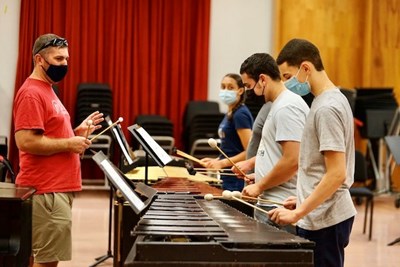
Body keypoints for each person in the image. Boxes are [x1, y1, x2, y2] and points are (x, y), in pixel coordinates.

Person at [13, 33, 104, 267]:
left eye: (66, 59)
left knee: (41, 258)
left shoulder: (48, 89)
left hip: (56, 189)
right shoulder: (32, 93)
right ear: (39, 60)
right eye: (58, 58)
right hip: (47, 191)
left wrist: (77, 133)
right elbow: (26, 141)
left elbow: (50, 136)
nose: (64, 64)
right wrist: (69, 143)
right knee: (46, 262)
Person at [268, 38, 356, 267]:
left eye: (288, 77)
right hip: (319, 212)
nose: (285, 85)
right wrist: (301, 198)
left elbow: (337, 174)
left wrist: (298, 213)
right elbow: (320, 166)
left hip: (325, 219)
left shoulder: (327, 108)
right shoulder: (328, 99)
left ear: (305, 68)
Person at [233, 53, 309, 232]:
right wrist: (259, 175)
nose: (249, 92)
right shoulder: (278, 105)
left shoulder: (287, 107)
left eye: (248, 86)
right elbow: (276, 154)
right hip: (271, 200)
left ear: (262, 79)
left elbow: (292, 160)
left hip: (280, 205)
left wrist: (260, 185)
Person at [200, 73, 253, 191]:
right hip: (228, 176)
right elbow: (231, 148)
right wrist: (216, 160)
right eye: (223, 87)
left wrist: (222, 163)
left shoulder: (240, 114)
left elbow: (250, 152)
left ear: (240, 91)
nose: (225, 91)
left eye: (230, 87)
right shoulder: (231, 112)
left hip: (237, 178)